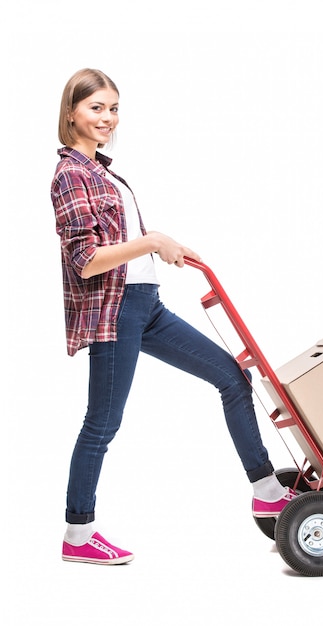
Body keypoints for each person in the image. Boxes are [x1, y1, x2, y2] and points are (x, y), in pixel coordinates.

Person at [51, 68, 296, 565]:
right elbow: (87, 260)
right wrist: (152, 240)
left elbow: (121, 245)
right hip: (115, 310)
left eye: (113, 108)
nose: (107, 117)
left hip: (147, 305)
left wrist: (166, 247)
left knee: (232, 376)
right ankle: (78, 536)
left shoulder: (104, 172)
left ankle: (267, 490)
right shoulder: (70, 175)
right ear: (72, 112)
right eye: (96, 107)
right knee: (102, 421)